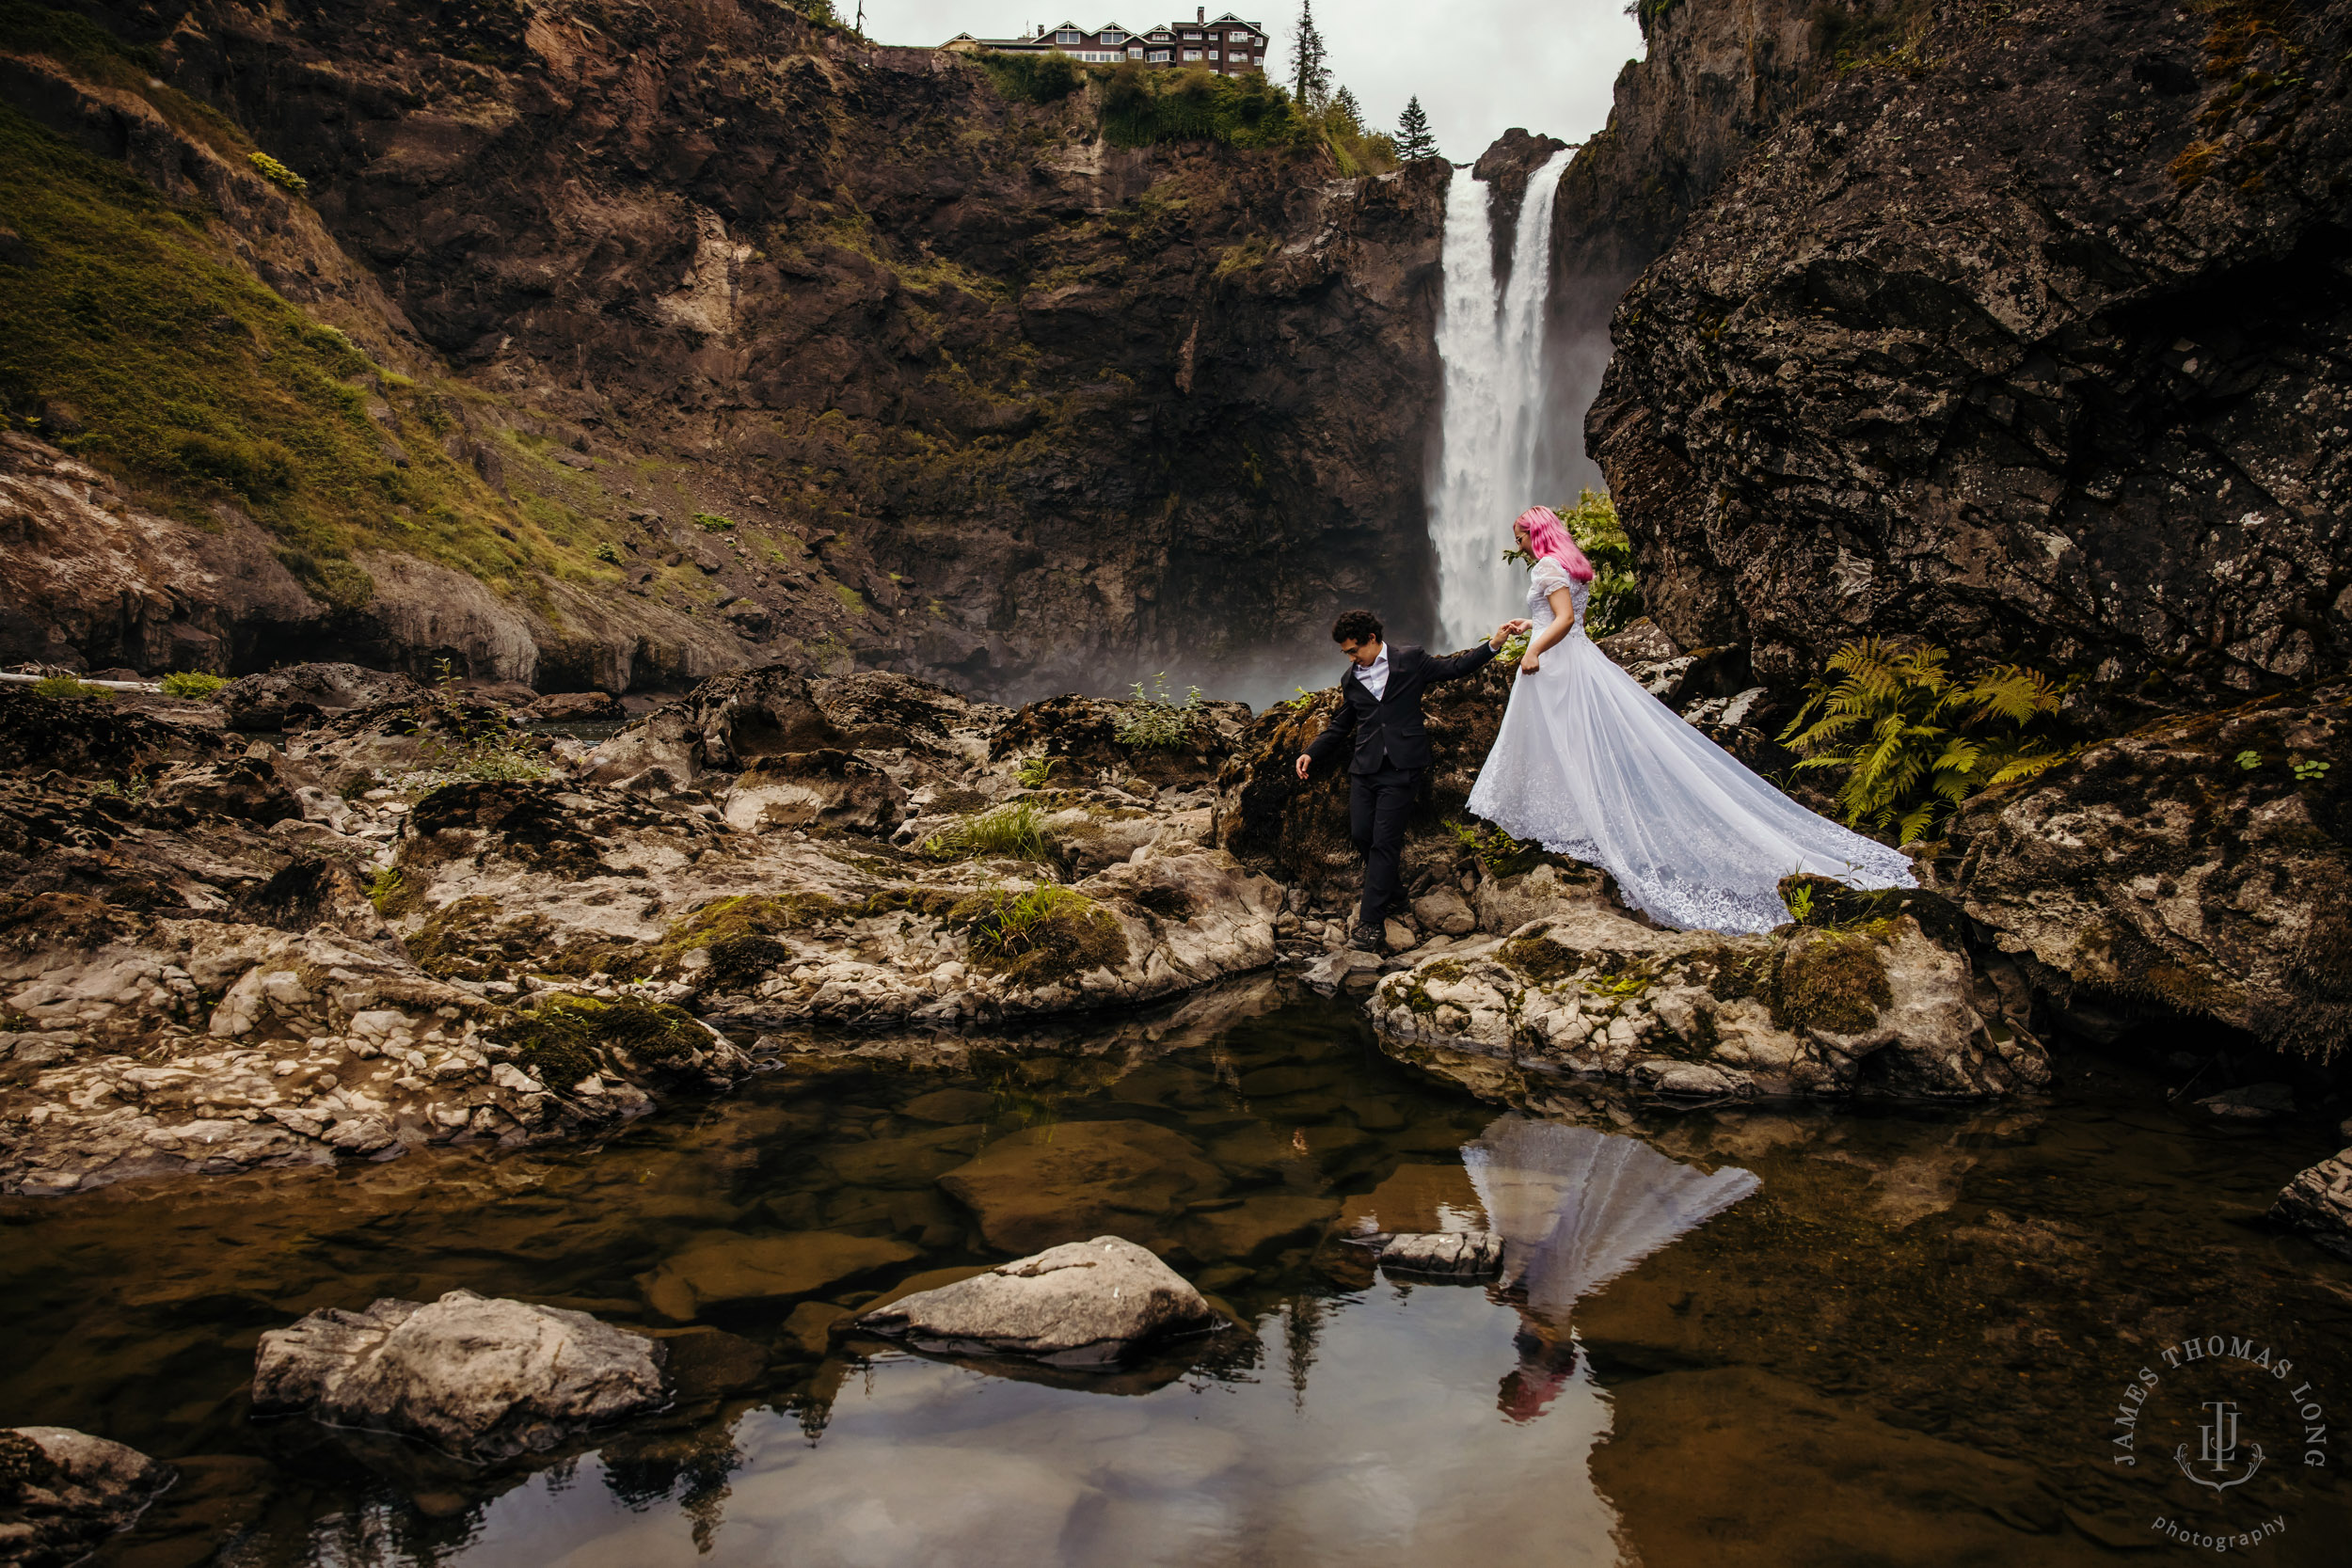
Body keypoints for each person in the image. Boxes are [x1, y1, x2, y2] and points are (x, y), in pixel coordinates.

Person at [1465, 504, 1917, 934]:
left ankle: (1574, 826)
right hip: (1577, 659)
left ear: (1534, 533)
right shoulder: (1572, 565)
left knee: (1556, 743)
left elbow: (1562, 619)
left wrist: (1535, 650)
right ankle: (1575, 823)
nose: (1519, 544)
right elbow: (1563, 615)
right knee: (1569, 742)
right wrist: (1531, 625)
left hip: (1556, 665)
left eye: (1520, 537)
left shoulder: (1546, 567)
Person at [1297, 607, 1529, 951]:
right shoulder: (1351, 678)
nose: (1350, 657)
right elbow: (1341, 724)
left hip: (1402, 767)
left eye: (1353, 650)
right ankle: (1395, 894)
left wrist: (1494, 644)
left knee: (1384, 842)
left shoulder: (1411, 660)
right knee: (1362, 834)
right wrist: (1311, 752)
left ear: (1373, 640)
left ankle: (1370, 923)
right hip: (1364, 767)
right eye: (1346, 652)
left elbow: (1455, 668)